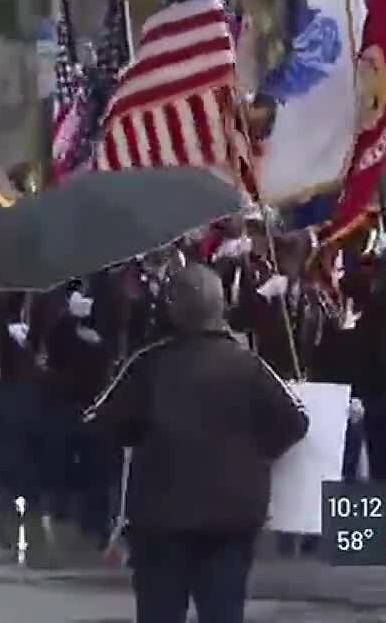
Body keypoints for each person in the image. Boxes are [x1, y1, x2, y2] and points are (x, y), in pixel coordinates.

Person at [84, 263, 309, 623]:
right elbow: (295, 421)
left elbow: (100, 421)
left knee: (159, 613)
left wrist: (137, 433)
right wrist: (256, 454)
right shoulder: (248, 365)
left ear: (172, 310)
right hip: (232, 514)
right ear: (219, 307)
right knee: (224, 612)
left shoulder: (147, 365)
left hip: (160, 517)